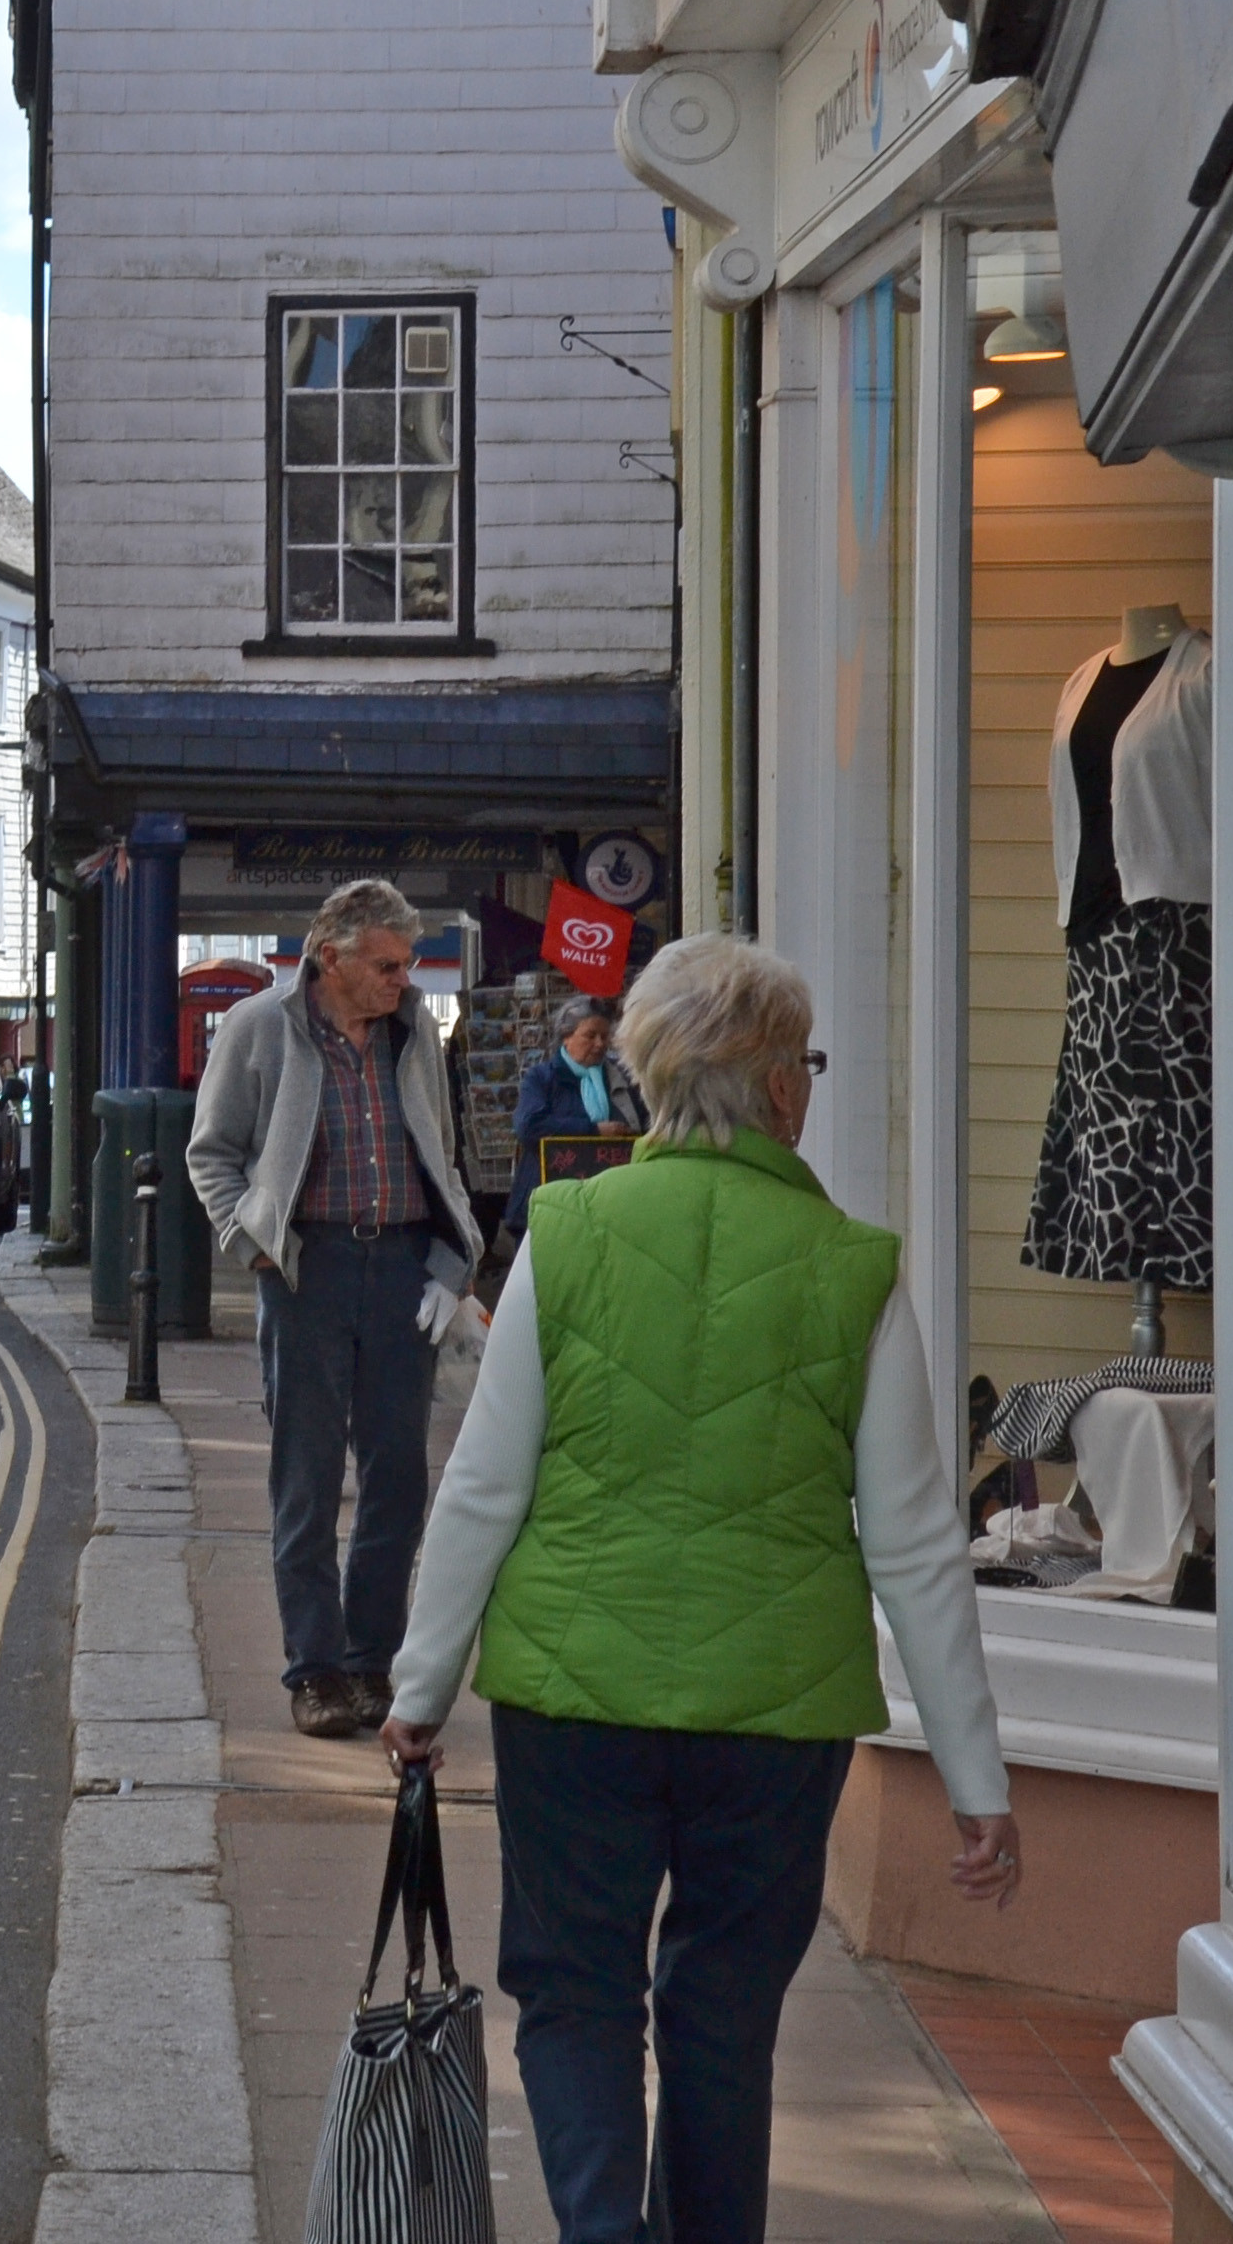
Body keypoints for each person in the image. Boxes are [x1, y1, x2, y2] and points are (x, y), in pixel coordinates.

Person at [383, 936, 1015, 2244]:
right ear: (783, 1089)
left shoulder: (567, 1232)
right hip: (774, 1717)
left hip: (576, 1690)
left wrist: (419, 1685)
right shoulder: (854, 1268)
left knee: (574, 1989)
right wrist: (975, 1779)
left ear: (651, 1077)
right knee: (724, 2013)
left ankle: (602, 2229)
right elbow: (911, 1543)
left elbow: (484, 1488)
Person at [183, 878, 480, 1739]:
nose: (403, 978)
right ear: (329, 958)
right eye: (386, 965)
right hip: (306, 1267)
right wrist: (257, 1249)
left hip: (399, 1266)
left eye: (408, 962)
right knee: (306, 1479)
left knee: (397, 1479)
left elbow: (442, 1151)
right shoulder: (258, 1028)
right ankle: (314, 1671)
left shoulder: (411, 1028)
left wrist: (449, 1263)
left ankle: (369, 1664)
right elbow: (212, 1157)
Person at [510, 995, 646, 1166]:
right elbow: (529, 1127)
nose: (599, 1044)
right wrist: (594, 1131)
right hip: (553, 1182)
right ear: (566, 1037)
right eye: (590, 1036)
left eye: (604, 1037)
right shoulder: (541, 1078)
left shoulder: (622, 1077)